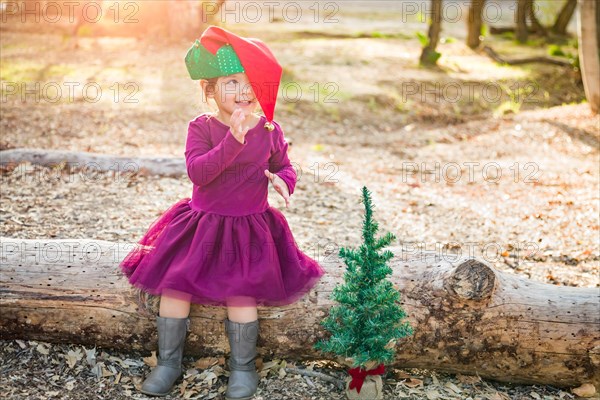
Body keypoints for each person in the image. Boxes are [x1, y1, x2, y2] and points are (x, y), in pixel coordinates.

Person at [119, 25, 326, 399]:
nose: (242, 91)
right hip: (201, 225)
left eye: (250, 83)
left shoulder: (269, 129)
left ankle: (243, 369)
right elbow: (199, 172)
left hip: (249, 227)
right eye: (231, 82)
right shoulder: (202, 128)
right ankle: (168, 363)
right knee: (176, 288)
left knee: (242, 295)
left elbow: (284, 165)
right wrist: (234, 138)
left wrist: (283, 181)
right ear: (210, 89)